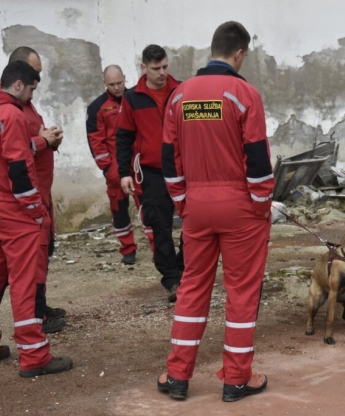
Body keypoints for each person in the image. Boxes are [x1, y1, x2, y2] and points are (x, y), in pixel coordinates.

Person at [158, 21, 274, 402]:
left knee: (192, 287)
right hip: (240, 206)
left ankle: (176, 376)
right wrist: (261, 205)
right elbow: (257, 158)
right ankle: (236, 380)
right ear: (239, 54)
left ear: (213, 50)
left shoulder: (179, 95)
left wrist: (182, 201)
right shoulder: (244, 94)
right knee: (241, 291)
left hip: (196, 205)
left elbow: (168, 159)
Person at [0, 61, 73, 377]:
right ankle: (35, 356)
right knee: (25, 283)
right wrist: (37, 212)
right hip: (15, 209)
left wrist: (40, 142)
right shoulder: (11, 114)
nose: (31, 96)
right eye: (32, 89)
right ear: (18, 85)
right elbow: (18, 167)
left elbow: (11, 152)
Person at [116, 45, 183, 302]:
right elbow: (123, 137)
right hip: (153, 173)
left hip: (182, 169)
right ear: (143, 68)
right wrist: (124, 173)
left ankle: (184, 268)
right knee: (161, 227)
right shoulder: (133, 98)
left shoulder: (181, 91)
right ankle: (171, 279)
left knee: (195, 223)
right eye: (156, 68)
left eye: (165, 66)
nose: (162, 73)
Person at [7, 47, 66, 334]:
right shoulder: (11, 110)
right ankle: (36, 321)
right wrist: (42, 141)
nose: (38, 80)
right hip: (25, 198)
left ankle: (40, 308)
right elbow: (15, 153)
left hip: (41, 192)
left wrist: (49, 141)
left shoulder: (25, 106)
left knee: (43, 254)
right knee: (32, 261)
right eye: (34, 74)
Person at [86, 65, 155, 265]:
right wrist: (107, 168)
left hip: (139, 164)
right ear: (104, 83)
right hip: (116, 169)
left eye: (119, 83)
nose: (117, 87)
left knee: (148, 207)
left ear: (125, 78)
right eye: (112, 84)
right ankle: (128, 249)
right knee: (119, 210)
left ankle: (156, 247)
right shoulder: (97, 108)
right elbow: (95, 141)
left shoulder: (135, 99)